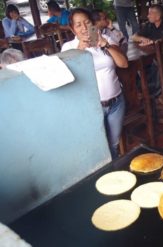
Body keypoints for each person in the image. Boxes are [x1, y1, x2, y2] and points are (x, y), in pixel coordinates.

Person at [61, 8, 128, 159]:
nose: (84, 28)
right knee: (99, 148)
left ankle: (114, 174)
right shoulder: (68, 48)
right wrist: (80, 51)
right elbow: (68, 78)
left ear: (93, 23)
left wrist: (105, 45)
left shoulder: (105, 39)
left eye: (87, 22)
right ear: (72, 29)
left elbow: (123, 64)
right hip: (91, 107)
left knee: (114, 144)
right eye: (78, 25)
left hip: (116, 102)